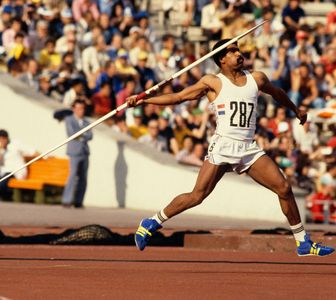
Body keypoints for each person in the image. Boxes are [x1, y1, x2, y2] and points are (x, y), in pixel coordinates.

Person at [126, 39, 335, 256]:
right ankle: (151, 222)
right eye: (232, 51)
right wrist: (144, 100)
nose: (238, 53)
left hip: (248, 148)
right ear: (221, 58)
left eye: (238, 49)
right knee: (197, 195)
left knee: (283, 187)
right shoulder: (213, 82)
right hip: (223, 146)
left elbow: (277, 93)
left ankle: (302, 242)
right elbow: (179, 97)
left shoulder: (257, 78)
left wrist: (296, 110)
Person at [0, 129, 35, 201]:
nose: (3, 141)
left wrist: (44, 156)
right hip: (3, 171)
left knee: (7, 175)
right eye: (0, 139)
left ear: (7, 138)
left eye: (4, 139)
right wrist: (1, 149)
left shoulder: (15, 144)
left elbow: (31, 151)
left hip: (16, 171)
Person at [62, 100, 93, 208]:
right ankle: (67, 200)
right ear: (74, 109)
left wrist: (81, 135)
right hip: (74, 152)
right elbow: (72, 134)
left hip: (85, 151)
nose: (81, 111)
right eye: (79, 108)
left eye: (83, 108)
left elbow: (90, 135)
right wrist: (83, 134)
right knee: (72, 175)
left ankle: (79, 201)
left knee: (83, 177)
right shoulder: (69, 120)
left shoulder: (86, 121)